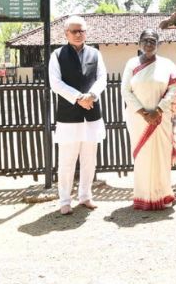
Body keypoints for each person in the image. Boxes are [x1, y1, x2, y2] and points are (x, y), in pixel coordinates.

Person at [121, 29, 176, 211]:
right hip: (138, 119)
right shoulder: (131, 64)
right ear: (139, 43)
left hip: (161, 117)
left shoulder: (167, 65)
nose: (149, 44)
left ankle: (163, 194)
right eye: (145, 40)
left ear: (158, 44)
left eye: (153, 41)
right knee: (142, 156)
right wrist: (144, 113)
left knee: (161, 155)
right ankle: (142, 196)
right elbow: (126, 91)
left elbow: (173, 89)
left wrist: (158, 111)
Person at [48, 15, 105, 215]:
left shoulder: (95, 54)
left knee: (90, 159)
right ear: (66, 34)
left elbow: (102, 79)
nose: (79, 34)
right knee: (67, 160)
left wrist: (92, 95)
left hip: (91, 113)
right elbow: (55, 83)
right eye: (74, 31)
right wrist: (78, 97)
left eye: (82, 31)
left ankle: (85, 196)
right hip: (68, 114)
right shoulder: (57, 55)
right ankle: (64, 200)